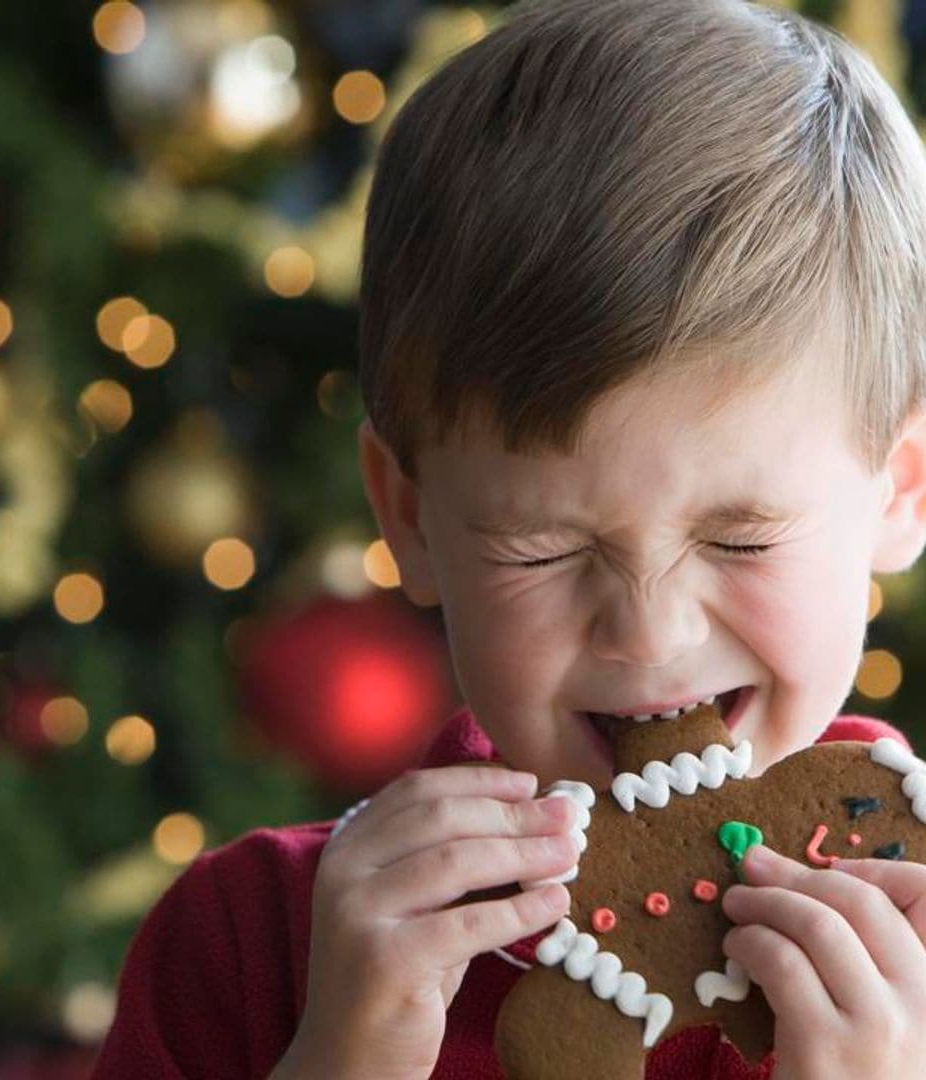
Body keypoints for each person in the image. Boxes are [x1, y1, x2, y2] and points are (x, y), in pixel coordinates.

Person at [91, 0, 926, 1076]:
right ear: (410, 518)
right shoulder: (253, 942)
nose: (644, 632)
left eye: (743, 540)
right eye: (543, 549)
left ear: (902, 491)